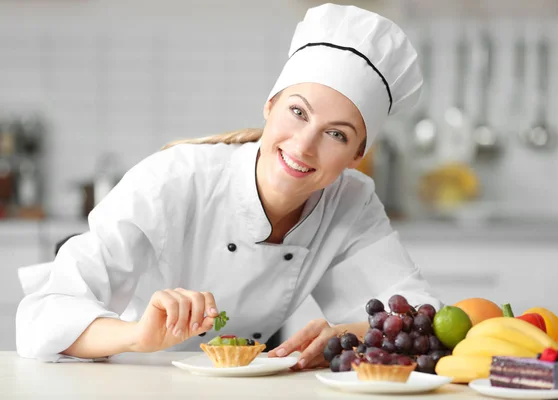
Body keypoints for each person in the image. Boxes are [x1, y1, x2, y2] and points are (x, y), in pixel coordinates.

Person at [16, 3, 441, 368]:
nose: (305, 144)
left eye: (337, 134)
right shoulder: (174, 179)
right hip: (137, 379)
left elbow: (425, 319)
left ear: (356, 156)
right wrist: (137, 335)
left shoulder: (350, 202)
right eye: (298, 112)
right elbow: (43, 316)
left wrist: (346, 332)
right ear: (270, 106)